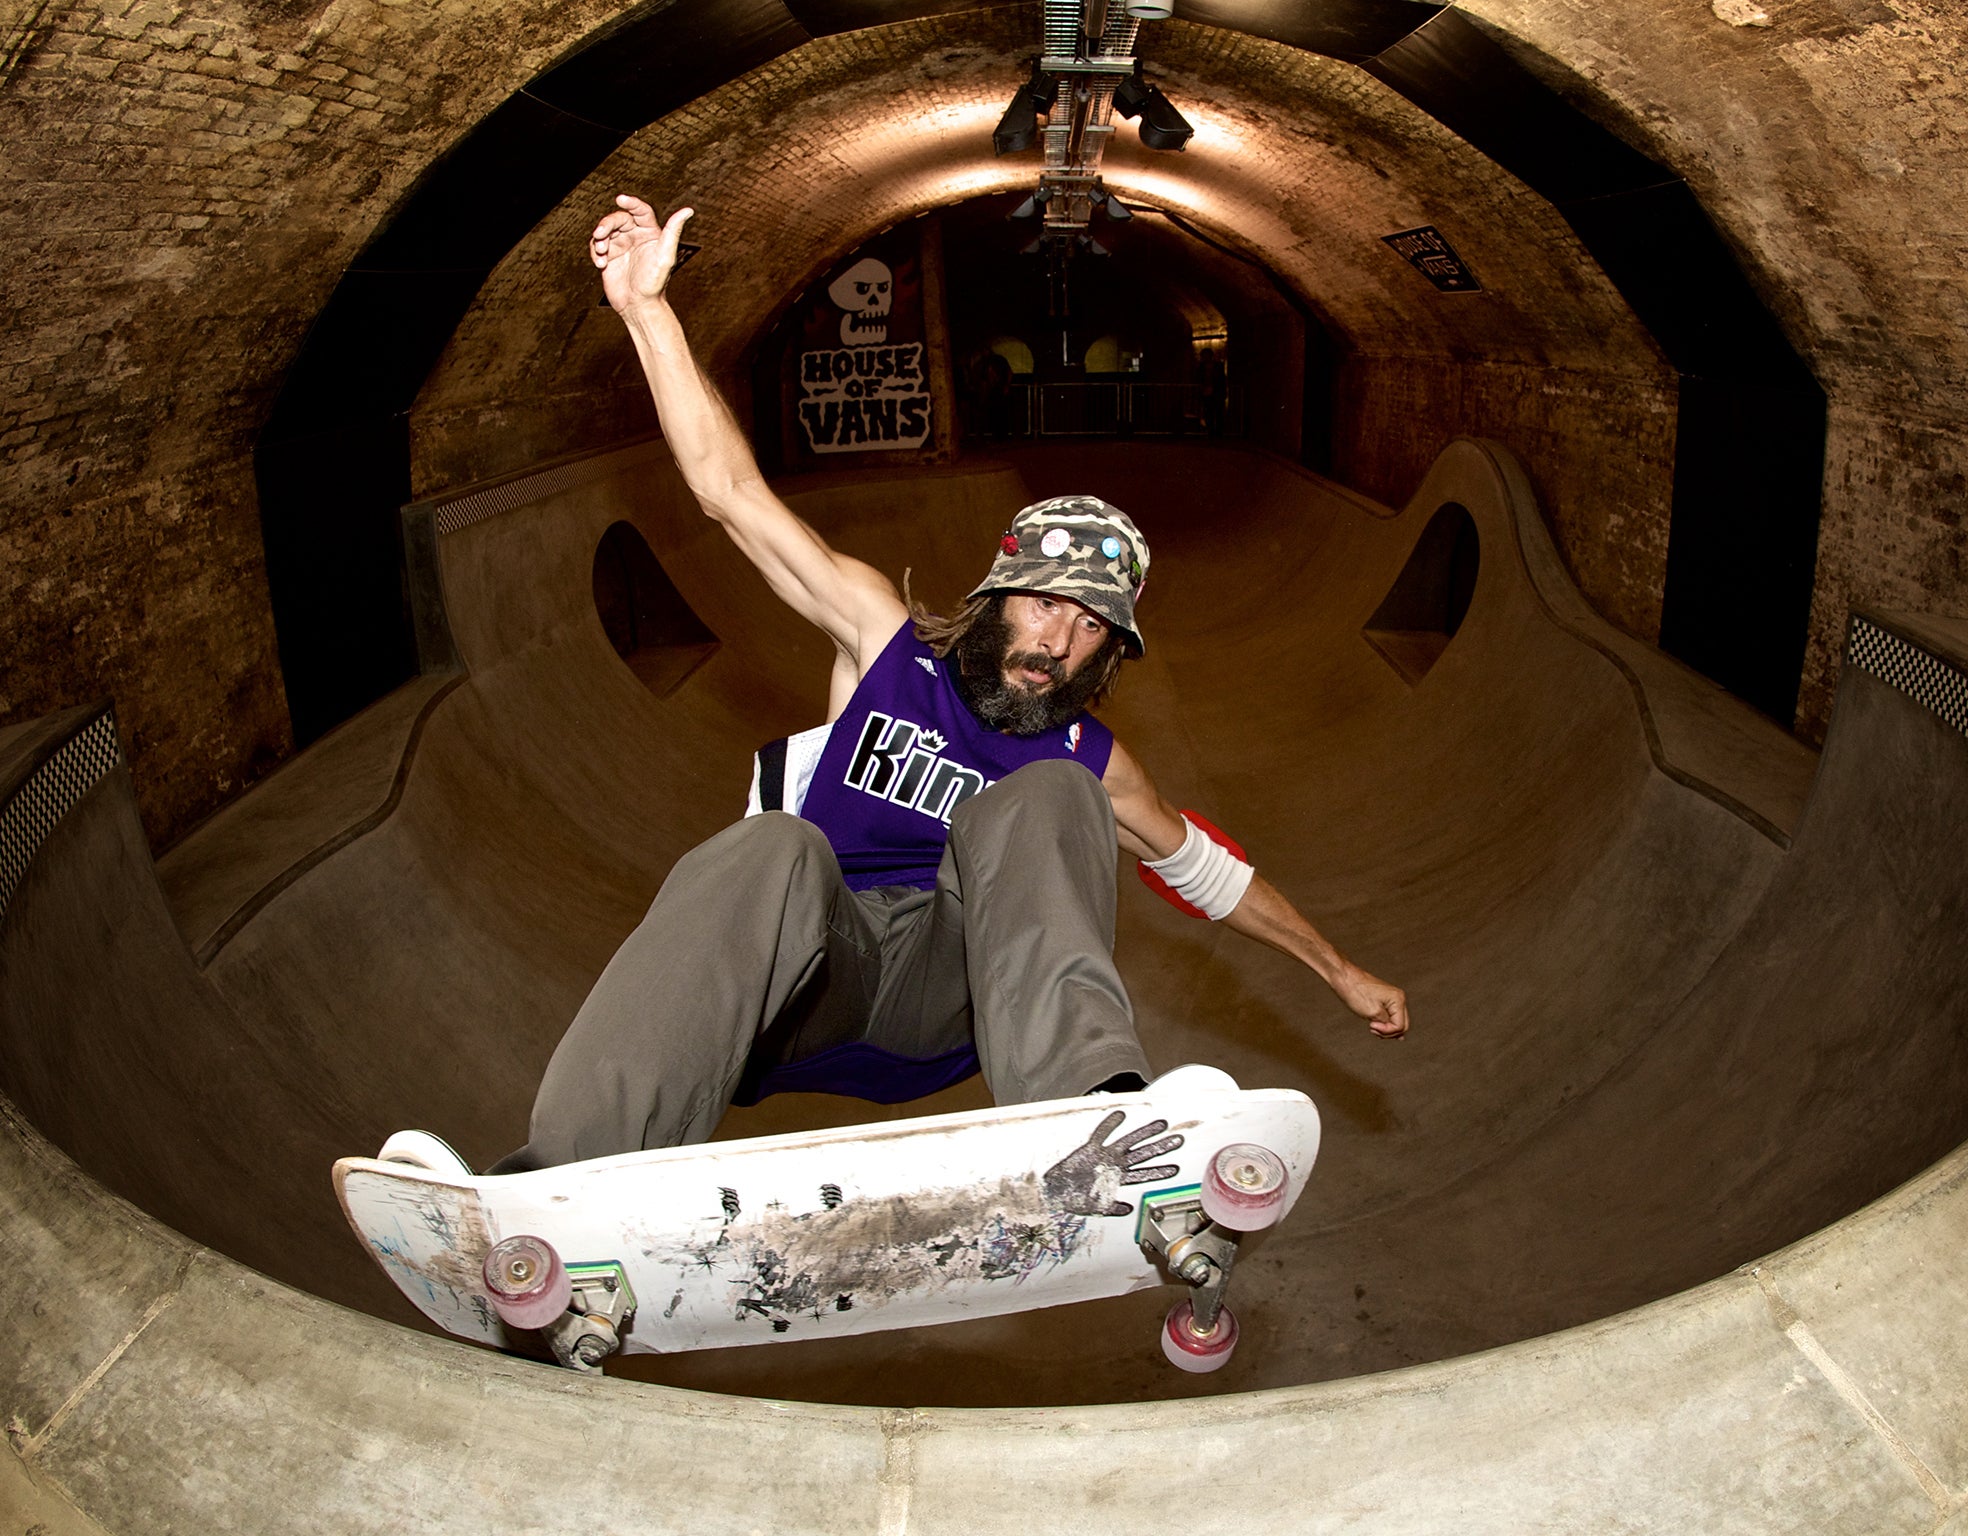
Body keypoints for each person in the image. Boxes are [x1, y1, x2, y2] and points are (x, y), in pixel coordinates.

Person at [490, 195, 1409, 1174]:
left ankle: (1087, 1129)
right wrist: (644, 312)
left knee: (1050, 795)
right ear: (996, 598)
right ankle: (563, 1178)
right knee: (767, 849)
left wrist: (1341, 973)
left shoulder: (1085, 759)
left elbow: (1208, 874)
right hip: (812, 977)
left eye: (1089, 629)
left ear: (1105, 660)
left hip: (952, 992)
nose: (1055, 640)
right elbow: (731, 496)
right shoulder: (880, 640)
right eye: (1042, 605)